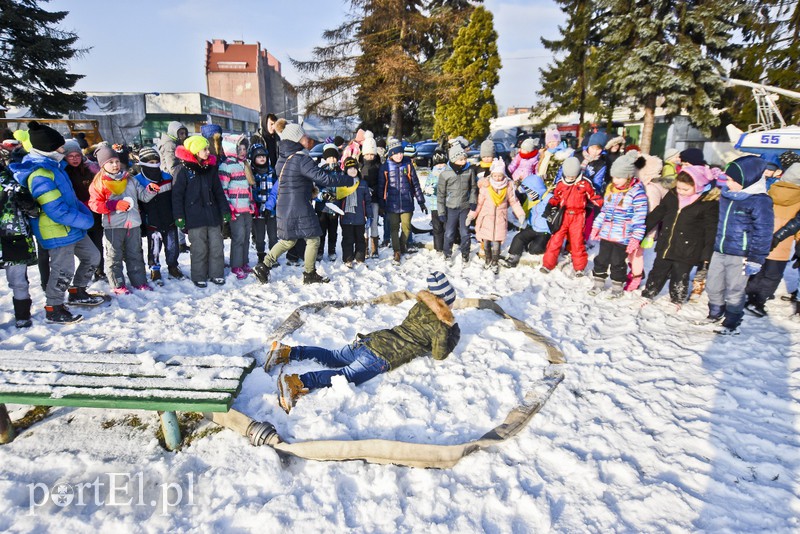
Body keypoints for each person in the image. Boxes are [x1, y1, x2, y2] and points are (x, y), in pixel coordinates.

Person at [268, 271, 461, 413]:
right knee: (344, 376)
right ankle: (297, 382)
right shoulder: (442, 325)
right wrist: (452, 333)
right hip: (381, 356)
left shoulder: (419, 306)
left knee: (332, 356)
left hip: (373, 340)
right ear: (444, 303)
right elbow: (439, 354)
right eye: (451, 301)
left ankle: (287, 352)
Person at [10, 121, 103, 323]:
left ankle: (77, 290)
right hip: (57, 230)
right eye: (60, 146)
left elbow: (70, 198)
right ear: (48, 148)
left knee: (93, 257)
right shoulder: (41, 174)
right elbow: (56, 211)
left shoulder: (56, 167)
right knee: (63, 271)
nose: (64, 149)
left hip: (72, 226)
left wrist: (84, 213)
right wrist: (85, 221)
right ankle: (54, 307)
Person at [252, 120, 354, 284]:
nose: (306, 138)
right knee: (313, 239)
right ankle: (309, 273)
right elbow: (323, 177)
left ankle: (264, 266)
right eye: (303, 136)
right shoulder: (301, 159)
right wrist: (346, 179)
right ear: (296, 140)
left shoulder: (282, 159)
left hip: (285, 206)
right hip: (299, 205)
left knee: (288, 240)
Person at [704, 156, 773, 334]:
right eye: (727, 179)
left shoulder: (759, 201)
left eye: (732, 180)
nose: (728, 183)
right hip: (720, 249)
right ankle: (715, 312)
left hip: (741, 254)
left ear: (747, 181)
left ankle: (731, 321)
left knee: (735, 289)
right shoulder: (727, 195)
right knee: (712, 284)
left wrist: (756, 258)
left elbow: (764, 231)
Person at [641, 167, 719, 305]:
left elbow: (711, 229)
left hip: (688, 248)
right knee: (658, 270)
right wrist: (643, 228)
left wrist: (706, 254)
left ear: (698, 186)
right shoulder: (672, 195)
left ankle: (677, 298)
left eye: (685, 189)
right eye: (679, 188)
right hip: (667, 243)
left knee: (680, 275)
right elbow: (659, 212)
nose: (681, 192)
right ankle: (649, 293)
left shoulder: (708, 203)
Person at [88, 146, 159, 294]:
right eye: (110, 162)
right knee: (115, 255)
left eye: (116, 161)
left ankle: (139, 281)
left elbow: (143, 196)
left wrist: (150, 191)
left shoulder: (130, 179)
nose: (115, 165)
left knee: (135, 254)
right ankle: (118, 283)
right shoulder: (99, 182)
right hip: (114, 226)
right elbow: (94, 204)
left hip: (133, 224)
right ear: (102, 165)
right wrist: (113, 205)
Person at [172, 135, 231, 288]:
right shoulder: (183, 170)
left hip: (212, 215)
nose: (208, 151)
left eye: (207, 148)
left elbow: (218, 192)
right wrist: (179, 216)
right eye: (204, 149)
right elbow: (177, 196)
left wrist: (224, 210)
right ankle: (199, 275)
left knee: (217, 245)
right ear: (195, 151)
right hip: (194, 217)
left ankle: (216, 274)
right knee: (199, 248)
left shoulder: (210, 169)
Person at [588, 153, 648, 297]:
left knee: (617, 262)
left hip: (623, 236)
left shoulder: (637, 193)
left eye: (619, 177)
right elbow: (604, 212)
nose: (615, 180)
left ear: (628, 176)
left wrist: (636, 238)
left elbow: (639, 218)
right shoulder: (611, 191)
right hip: (607, 233)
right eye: (614, 177)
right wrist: (596, 227)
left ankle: (617, 286)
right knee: (601, 259)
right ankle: (598, 283)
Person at [745, 162, 800, 316]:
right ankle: (758, 301)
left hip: (761, 237)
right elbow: (797, 225)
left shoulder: (771, 189)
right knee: (772, 276)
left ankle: (749, 296)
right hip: (782, 243)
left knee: (757, 270)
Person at [541, 157, 603, 275]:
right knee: (555, 239)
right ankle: (548, 263)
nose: (570, 178)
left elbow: (593, 196)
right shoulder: (560, 184)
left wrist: (602, 204)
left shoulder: (585, 183)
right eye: (568, 176)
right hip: (563, 214)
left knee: (577, 241)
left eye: (573, 176)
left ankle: (579, 267)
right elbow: (556, 197)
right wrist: (550, 206)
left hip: (578, 216)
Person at [133, 146, 184, 284]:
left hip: (169, 218)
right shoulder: (137, 180)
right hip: (151, 221)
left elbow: (174, 198)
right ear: (142, 163)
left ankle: (173, 266)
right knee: (154, 247)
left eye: (156, 161)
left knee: (172, 246)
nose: (154, 164)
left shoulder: (167, 177)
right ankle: (154, 268)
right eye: (150, 162)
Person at [0, 147, 38, 327]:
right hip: (14, 235)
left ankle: (23, 316)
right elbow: (32, 209)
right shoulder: (14, 182)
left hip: (13, 237)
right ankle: (22, 317)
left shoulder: (12, 182)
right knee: (19, 281)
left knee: (18, 281)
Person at [467, 159, 526, 273]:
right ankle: (488, 259)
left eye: (500, 175)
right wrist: (471, 215)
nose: (498, 178)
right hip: (486, 219)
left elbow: (514, 202)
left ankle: (495, 261)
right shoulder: (486, 187)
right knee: (487, 243)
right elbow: (479, 204)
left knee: (497, 243)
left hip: (500, 219)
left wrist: (520, 214)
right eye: (495, 175)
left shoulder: (508, 187)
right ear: (491, 174)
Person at [378, 138, 427, 265]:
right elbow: (381, 187)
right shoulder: (385, 167)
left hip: (407, 202)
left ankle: (401, 244)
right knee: (394, 228)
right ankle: (397, 251)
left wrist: (421, 201)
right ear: (391, 154)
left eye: (401, 153)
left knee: (406, 227)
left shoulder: (408, 165)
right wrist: (381, 205)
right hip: (391, 204)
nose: (399, 155)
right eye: (396, 153)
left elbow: (415, 184)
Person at [63, 140, 105, 283]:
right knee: (84, 249)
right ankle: (85, 274)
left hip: (94, 213)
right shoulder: (63, 173)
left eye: (77, 155)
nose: (75, 159)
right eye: (71, 156)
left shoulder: (90, 170)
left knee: (98, 243)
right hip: (77, 216)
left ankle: (100, 271)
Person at [218, 134, 256, 279]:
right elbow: (223, 188)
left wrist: (252, 203)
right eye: (239, 148)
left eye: (244, 148)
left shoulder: (245, 164)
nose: (243, 151)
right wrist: (229, 207)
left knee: (246, 236)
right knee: (238, 237)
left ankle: (244, 262)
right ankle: (236, 265)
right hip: (235, 208)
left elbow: (248, 187)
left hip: (246, 207)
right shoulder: (226, 165)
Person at [438, 143, 477, 264]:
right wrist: (441, 211)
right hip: (451, 208)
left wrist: (473, 201)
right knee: (449, 232)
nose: (464, 161)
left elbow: (473, 188)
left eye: (465, 158)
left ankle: (465, 254)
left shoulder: (469, 171)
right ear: (454, 159)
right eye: (461, 159)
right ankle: (447, 253)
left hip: (465, 207)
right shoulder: (445, 174)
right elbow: (440, 194)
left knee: (465, 232)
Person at [338, 157, 371, 266]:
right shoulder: (342, 183)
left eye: (354, 168)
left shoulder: (363, 184)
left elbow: (367, 201)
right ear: (345, 170)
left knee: (360, 239)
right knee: (348, 239)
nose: (352, 170)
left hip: (360, 217)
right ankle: (348, 259)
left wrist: (369, 215)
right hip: (346, 217)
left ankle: (360, 257)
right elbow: (338, 199)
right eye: (350, 168)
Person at [249, 143, 278, 264]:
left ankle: (273, 256)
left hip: (271, 209)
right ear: (253, 158)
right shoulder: (252, 174)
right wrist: (257, 206)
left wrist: (269, 206)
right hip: (258, 210)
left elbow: (275, 191)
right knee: (259, 236)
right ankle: (261, 255)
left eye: (263, 156)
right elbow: (252, 192)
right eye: (258, 156)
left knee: (273, 235)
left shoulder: (272, 172)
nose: (262, 158)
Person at [316, 144, 341, 261]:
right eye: (330, 157)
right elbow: (314, 190)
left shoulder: (340, 172)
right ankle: (319, 250)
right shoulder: (320, 171)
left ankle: (332, 250)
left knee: (333, 231)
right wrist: (322, 195)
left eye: (334, 157)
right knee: (321, 230)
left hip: (335, 207)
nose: (332, 160)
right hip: (322, 207)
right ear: (325, 158)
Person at [361, 134, 381, 258]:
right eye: (367, 154)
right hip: (362, 200)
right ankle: (364, 248)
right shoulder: (359, 165)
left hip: (374, 199)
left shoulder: (379, 165)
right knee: (364, 224)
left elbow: (381, 181)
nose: (370, 157)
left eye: (372, 154)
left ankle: (375, 249)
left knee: (374, 223)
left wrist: (373, 190)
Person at [424, 149, 448, 253]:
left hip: (447, 204)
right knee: (437, 227)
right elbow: (426, 187)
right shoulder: (431, 174)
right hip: (435, 205)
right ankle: (438, 248)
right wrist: (427, 190)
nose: (440, 166)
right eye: (438, 164)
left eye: (442, 163)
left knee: (447, 226)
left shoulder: (449, 173)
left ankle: (448, 246)